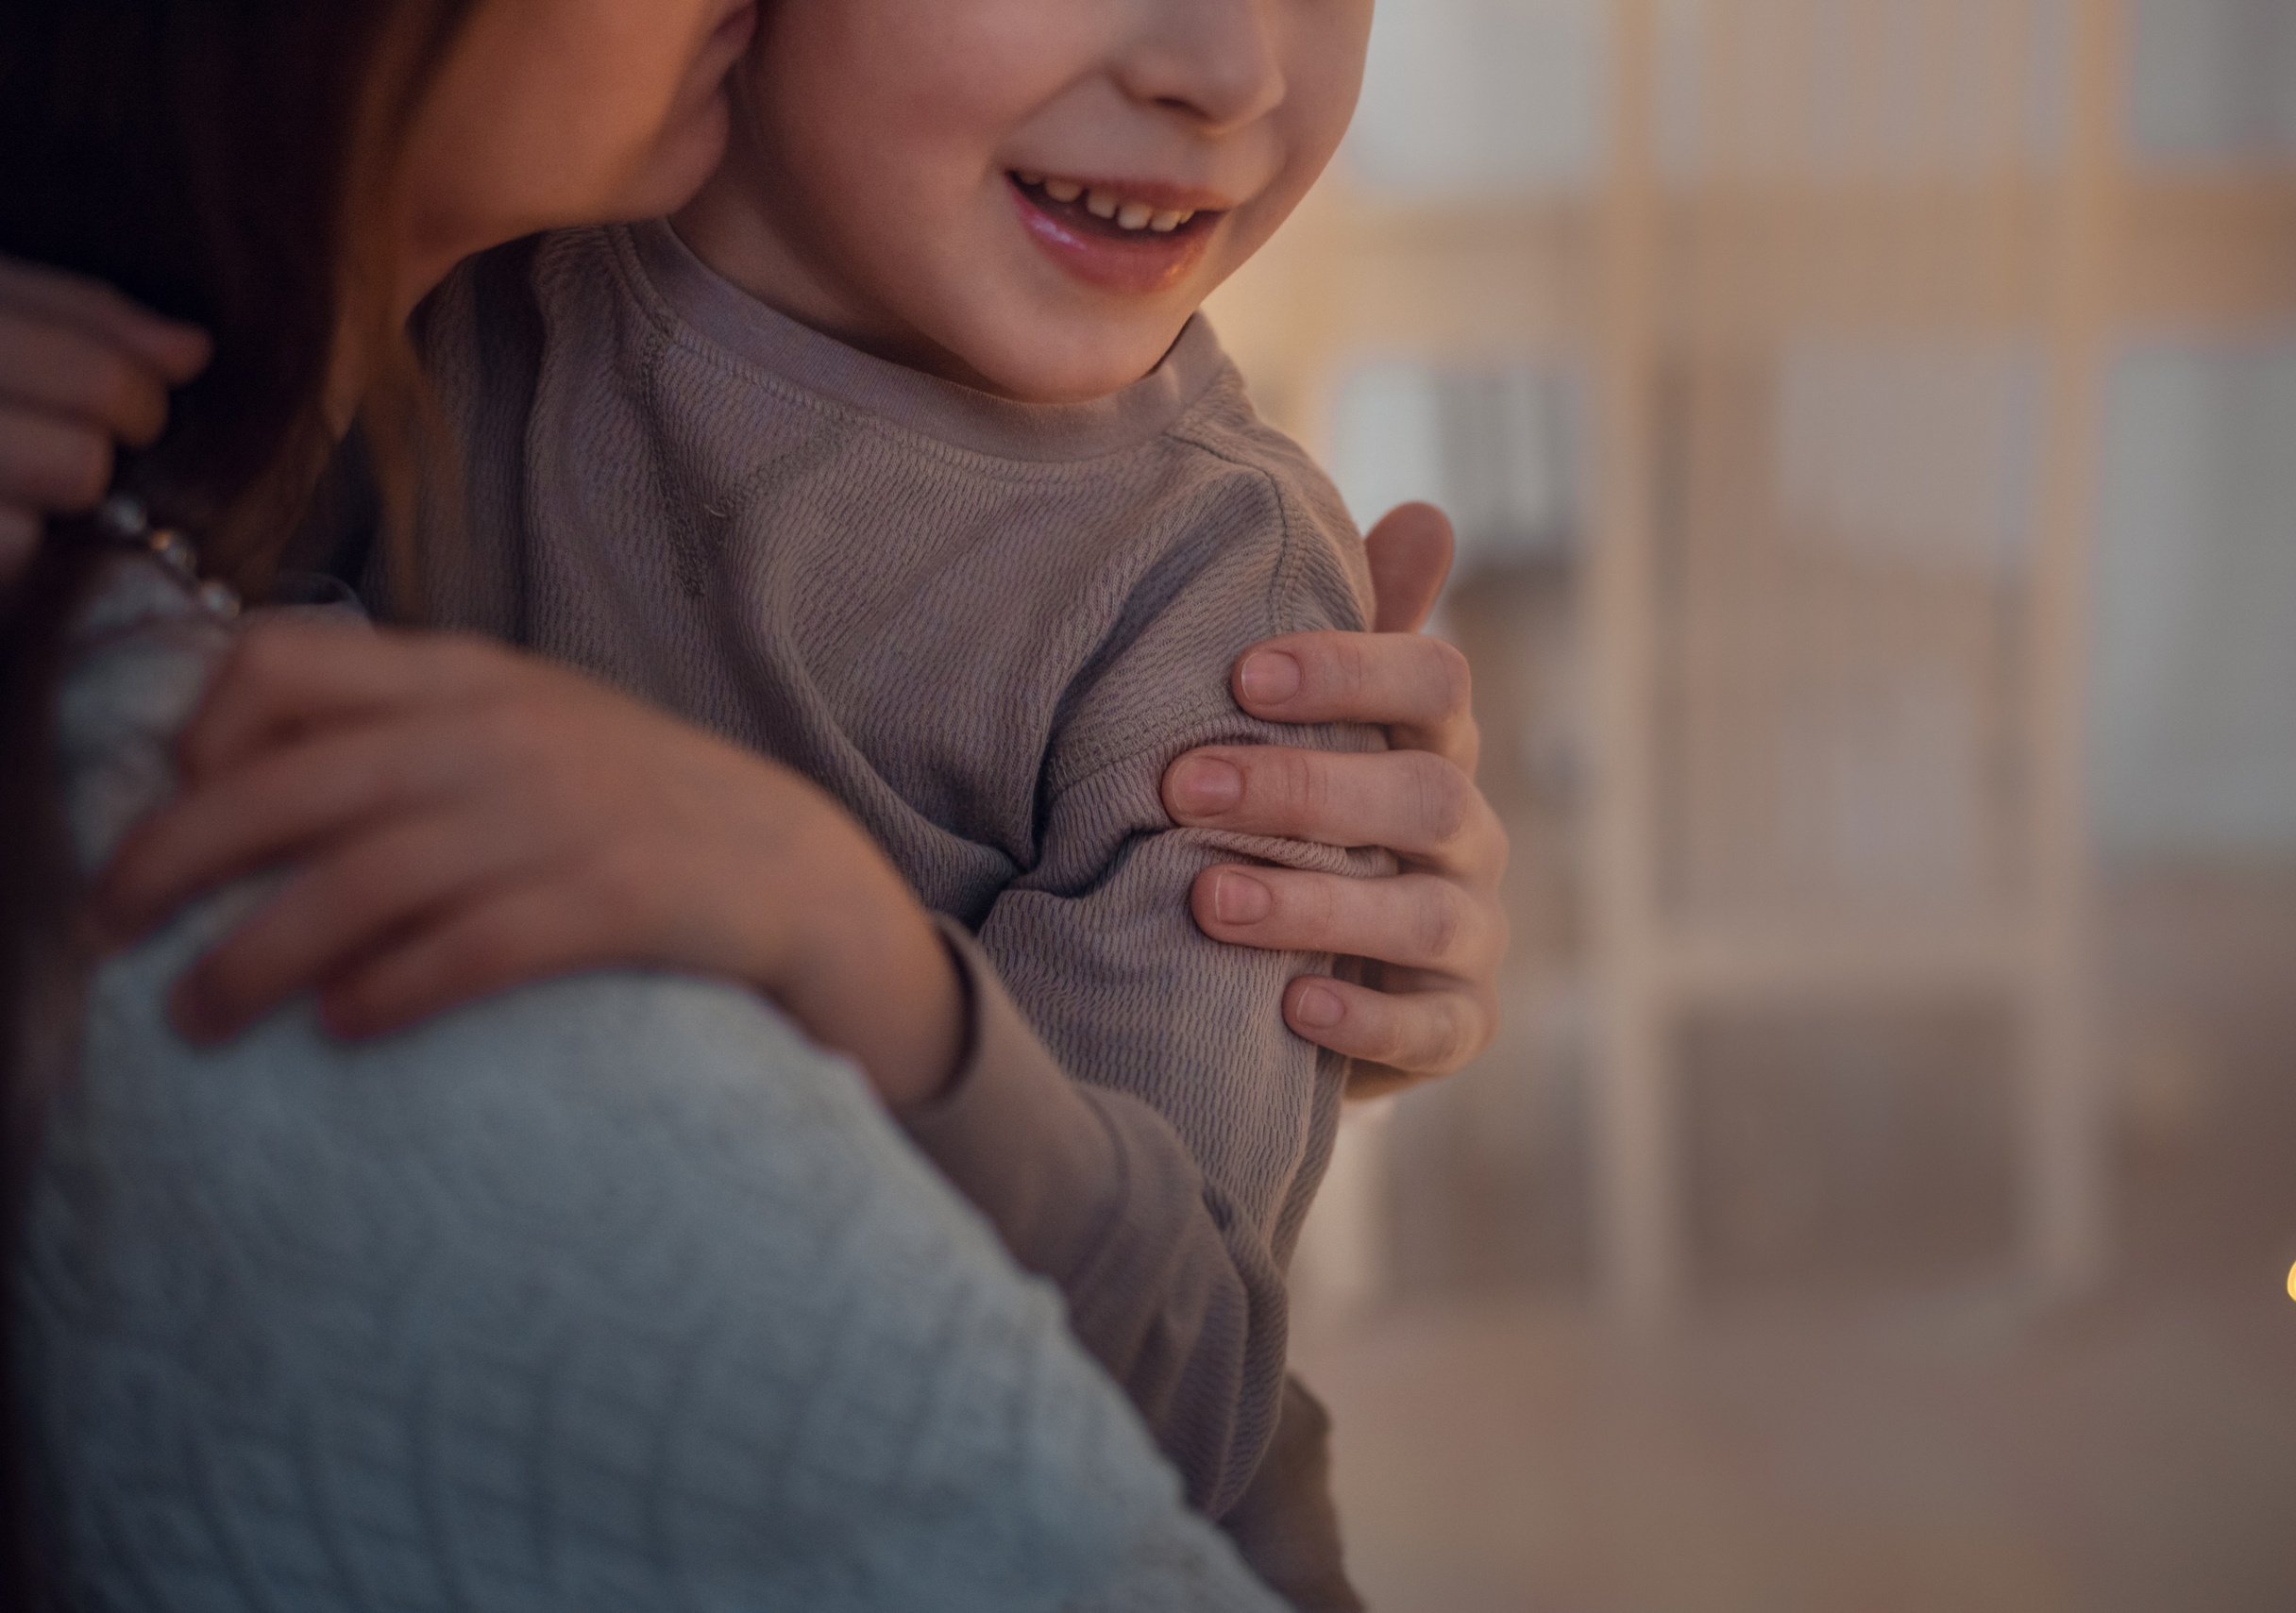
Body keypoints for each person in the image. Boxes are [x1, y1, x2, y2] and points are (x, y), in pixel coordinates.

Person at [2, 1, 1514, 1605]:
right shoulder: (478, 280)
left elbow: (1186, 1401)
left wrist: (857, 955)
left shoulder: (1225, 606)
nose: (1229, 75)